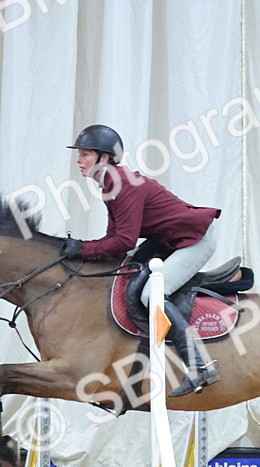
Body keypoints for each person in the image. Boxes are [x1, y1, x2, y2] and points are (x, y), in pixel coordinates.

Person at [63, 124, 220, 396]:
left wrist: (81, 249)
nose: (79, 159)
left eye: (85, 154)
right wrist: (84, 250)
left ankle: (199, 366)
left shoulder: (121, 184)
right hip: (167, 239)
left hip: (194, 239)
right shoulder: (110, 184)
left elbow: (123, 241)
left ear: (105, 157)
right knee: (125, 272)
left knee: (151, 296)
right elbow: (116, 238)